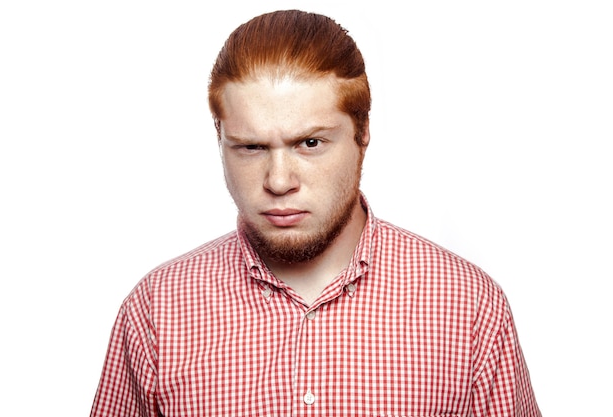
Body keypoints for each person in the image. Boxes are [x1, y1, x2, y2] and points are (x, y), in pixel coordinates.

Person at [90, 9, 540, 417]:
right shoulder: (157, 311)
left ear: (363, 133)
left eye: (310, 143)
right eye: (251, 147)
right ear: (220, 139)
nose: (279, 180)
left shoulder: (468, 308)